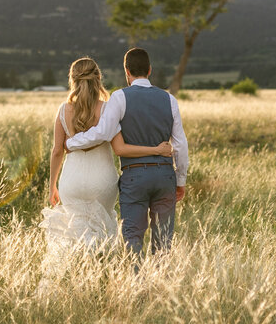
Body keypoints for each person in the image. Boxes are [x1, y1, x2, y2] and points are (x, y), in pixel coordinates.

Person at [41, 57, 172, 261]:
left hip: (71, 180)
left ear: (72, 79)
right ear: (98, 78)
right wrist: (155, 150)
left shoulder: (63, 110)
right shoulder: (107, 109)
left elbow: (57, 150)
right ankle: (100, 273)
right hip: (102, 181)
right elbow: (120, 148)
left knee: (75, 232)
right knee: (102, 233)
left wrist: (52, 187)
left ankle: (76, 274)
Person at [65, 48, 188, 260]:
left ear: (126, 71)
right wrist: (181, 180)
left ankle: (136, 287)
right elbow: (181, 145)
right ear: (149, 70)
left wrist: (73, 142)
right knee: (163, 240)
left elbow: (103, 131)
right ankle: (161, 288)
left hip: (134, 176)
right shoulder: (169, 99)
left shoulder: (120, 97)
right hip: (164, 175)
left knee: (132, 237)